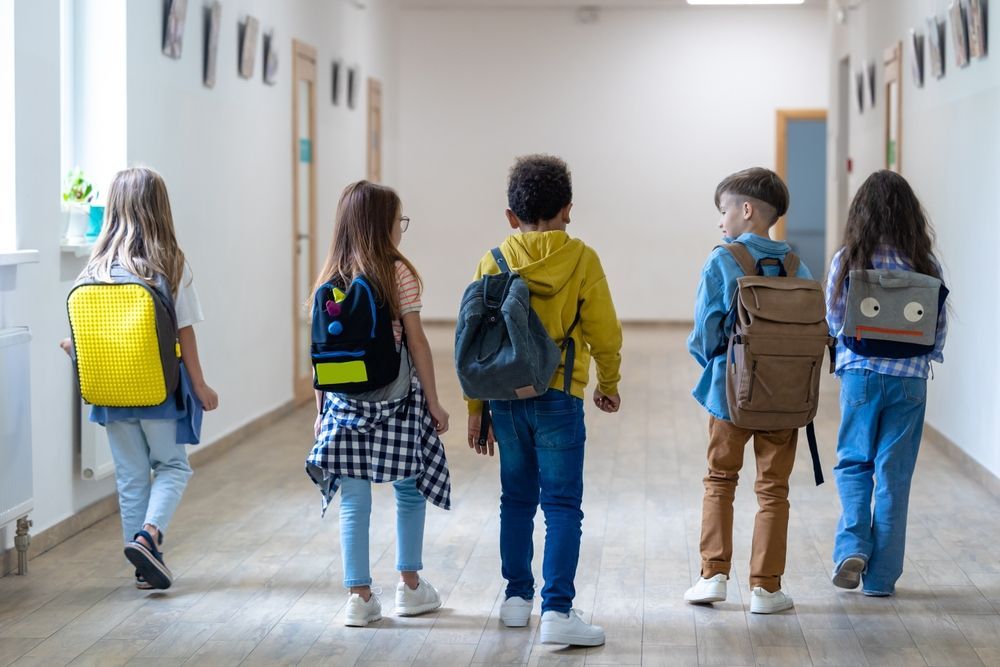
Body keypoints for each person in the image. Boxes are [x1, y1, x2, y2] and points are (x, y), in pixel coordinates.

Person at [467, 154, 622, 646]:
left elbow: (473, 340)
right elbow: (605, 331)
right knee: (561, 504)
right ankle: (557, 611)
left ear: (511, 216)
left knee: (515, 498)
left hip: (505, 399)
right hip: (559, 396)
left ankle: (516, 600)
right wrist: (608, 382)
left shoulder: (493, 259)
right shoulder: (582, 259)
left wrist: (477, 408)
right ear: (568, 210)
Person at [61, 166, 219, 590]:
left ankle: (143, 565)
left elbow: (85, 335)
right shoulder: (169, 265)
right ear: (160, 209)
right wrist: (200, 386)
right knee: (172, 466)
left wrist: (73, 351)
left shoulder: (94, 269)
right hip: (157, 391)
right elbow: (185, 331)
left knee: (131, 477)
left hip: (111, 393)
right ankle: (149, 538)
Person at [305, 180, 451, 627]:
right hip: (397, 401)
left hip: (345, 408)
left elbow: (319, 354)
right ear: (382, 226)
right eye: (398, 221)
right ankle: (410, 587)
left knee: (354, 499)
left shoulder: (328, 279)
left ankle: (359, 597)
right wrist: (435, 402)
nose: (400, 230)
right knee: (409, 489)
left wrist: (320, 411)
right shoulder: (397, 273)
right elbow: (418, 342)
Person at [685, 167, 812, 614]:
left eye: (724, 211)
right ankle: (766, 589)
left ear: (746, 210)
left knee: (720, 480)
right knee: (773, 489)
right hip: (786, 396)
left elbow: (705, 331)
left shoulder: (723, 259)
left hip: (731, 395)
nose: (721, 222)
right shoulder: (798, 265)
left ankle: (713, 577)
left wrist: (713, 365)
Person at [826, 170, 947, 597]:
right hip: (910, 381)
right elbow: (937, 326)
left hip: (860, 374)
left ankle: (853, 547)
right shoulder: (925, 264)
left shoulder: (849, 259)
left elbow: (835, 319)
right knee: (894, 475)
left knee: (854, 461)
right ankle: (880, 580)